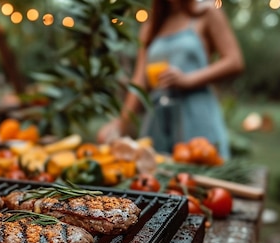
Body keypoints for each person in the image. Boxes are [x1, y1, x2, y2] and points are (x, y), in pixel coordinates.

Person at [97, 0, 244, 159]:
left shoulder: (206, 12)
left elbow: (234, 61)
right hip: (158, 119)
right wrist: (121, 125)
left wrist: (188, 80)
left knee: (203, 171)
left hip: (197, 115)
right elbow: (140, 80)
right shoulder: (152, 25)